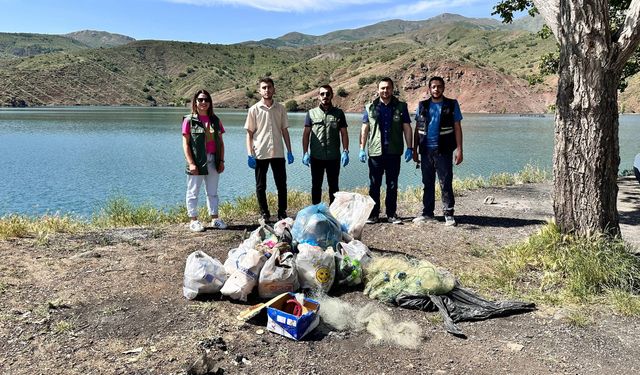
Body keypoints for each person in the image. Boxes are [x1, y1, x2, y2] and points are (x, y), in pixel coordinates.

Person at [359, 77, 413, 224]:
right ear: (378, 90)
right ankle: (373, 215)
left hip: (393, 152)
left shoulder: (401, 106)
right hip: (375, 153)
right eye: (382, 88)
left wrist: (410, 147)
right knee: (374, 185)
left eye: (388, 88)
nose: (385, 90)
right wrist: (361, 149)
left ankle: (391, 214)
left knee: (392, 184)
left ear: (392, 89)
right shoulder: (370, 107)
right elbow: (365, 128)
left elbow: (407, 128)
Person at [412, 76, 464, 227]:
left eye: (439, 86)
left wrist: (459, 150)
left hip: (444, 150)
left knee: (445, 182)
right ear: (429, 89)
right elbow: (417, 129)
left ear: (443, 88)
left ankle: (448, 214)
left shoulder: (451, 104)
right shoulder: (422, 105)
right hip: (426, 151)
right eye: (433, 87)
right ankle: (427, 213)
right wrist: (414, 149)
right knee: (427, 183)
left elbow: (457, 127)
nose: (436, 89)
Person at [245, 77, 294, 222]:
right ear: (259, 91)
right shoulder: (254, 110)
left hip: (278, 152)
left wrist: (289, 151)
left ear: (274, 89)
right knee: (261, 186)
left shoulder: (280, 108)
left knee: (281, 185)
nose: (267, 90)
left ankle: (282, 212)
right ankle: (264, 213)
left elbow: (285, 131)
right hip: (260, 153)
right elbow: (249, 134)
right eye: (264, 87)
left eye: (269, 87)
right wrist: (250, 154)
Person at [182, 89, 227, 232]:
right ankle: (193, 220)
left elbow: (221, 142)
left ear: (210, 102)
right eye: (200, 99)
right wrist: (191, 163)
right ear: (195, 102)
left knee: (212, 192)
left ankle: (215, 219)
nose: (203, 102)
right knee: (193, 191)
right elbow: (186, 143)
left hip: (213, 159)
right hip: (197, 160)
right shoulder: (189, 120)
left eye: (206, 100)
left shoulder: (215, 120)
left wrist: (221, 161)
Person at [302, 85, 350, 205]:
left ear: (332, 95)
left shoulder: (339, 113)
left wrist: (345, 151)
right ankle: (316, 212)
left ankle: (334, 213)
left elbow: (344, 133)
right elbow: (306, 134)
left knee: (334, 186)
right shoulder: (311, 113)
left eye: (328, 94)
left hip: (333, 157)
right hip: (316, 157)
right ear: (319, 96)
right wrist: (305, 153)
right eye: (322, 94)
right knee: (316, 186)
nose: (325, 96)